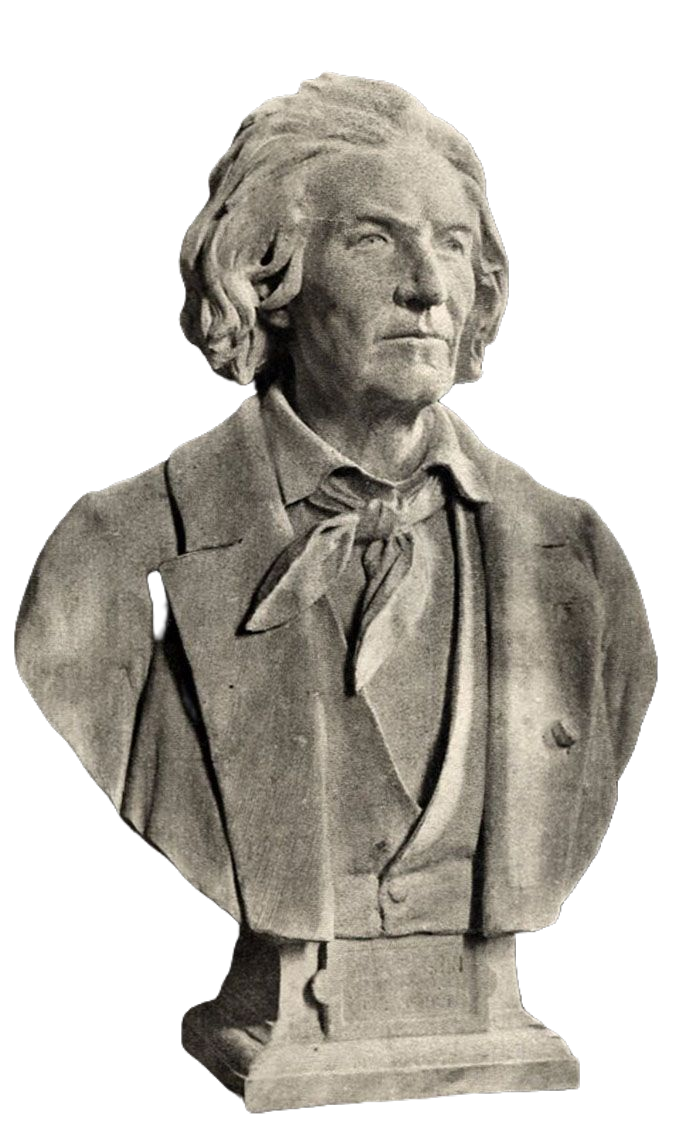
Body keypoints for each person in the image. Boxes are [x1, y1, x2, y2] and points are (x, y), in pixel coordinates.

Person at [15, 72, 656, 945]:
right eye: (373, 240)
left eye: (453, 245)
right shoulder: (112, 552)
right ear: (267, 278)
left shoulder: (575, 551)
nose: (427, 288)